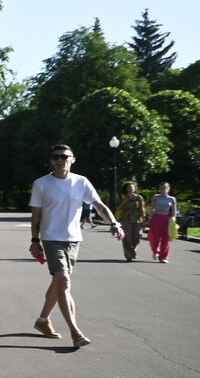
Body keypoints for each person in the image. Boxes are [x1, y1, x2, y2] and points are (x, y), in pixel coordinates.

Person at [29, 143, 124, 347]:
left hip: (74, 239)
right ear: (51, 161)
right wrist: (35, 241)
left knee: (58, 282)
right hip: (51, 237)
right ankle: (75, 331)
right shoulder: (41, 183)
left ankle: (43, 320)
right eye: (56, 157)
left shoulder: (81, 182)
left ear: (73, 159)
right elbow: (36, 215)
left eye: (64, 156)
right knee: (63, 281)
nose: (60, 160)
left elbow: (99, 205)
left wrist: (114, 223)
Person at [114, 182, 146, 261]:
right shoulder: (123, 199)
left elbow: (142, 208)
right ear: (126, 189)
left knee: (138, 237)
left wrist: (144, 219)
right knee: (127, 238)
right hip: (125, 220)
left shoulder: (139, 198)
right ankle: (129, 255)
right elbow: (118, 209)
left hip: (137, 220)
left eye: (132, 187)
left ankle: (132, 251)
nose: (131, 189)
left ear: (135, 188)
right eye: (129, 187)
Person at [147, 182, 177, 263]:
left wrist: (173, 220)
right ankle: (155, 251)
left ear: (168, 189)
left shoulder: (172, 199)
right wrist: (150, 217)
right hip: (156, 217)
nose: (163, 189)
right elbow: (152, 208)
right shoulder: (156, 197)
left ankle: (163, 257)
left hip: (166, 219)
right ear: (159, 189)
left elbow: (174, 211)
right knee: (155, 237)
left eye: (165, 187)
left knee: (165, 239)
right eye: (161, 188)